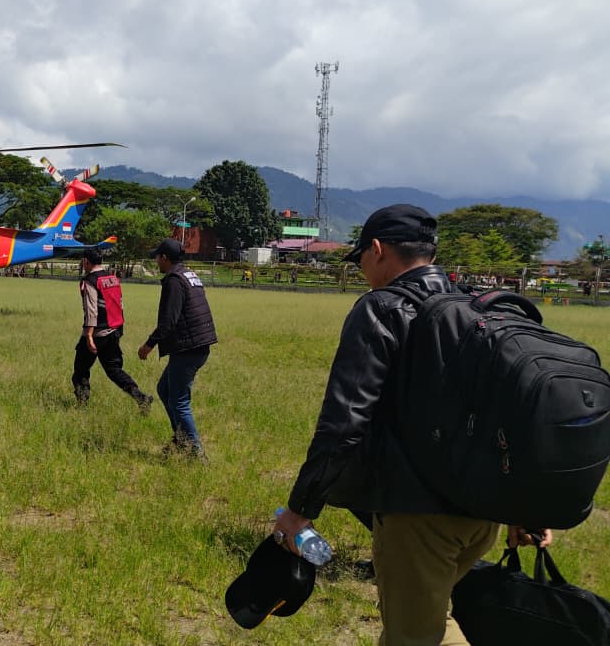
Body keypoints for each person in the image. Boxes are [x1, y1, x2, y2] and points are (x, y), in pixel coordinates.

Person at [271, 204, 552, 645]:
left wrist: (300, 509)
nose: (362, 267)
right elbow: (509, 414)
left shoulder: (382, 309)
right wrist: (523, 507)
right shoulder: (482, 308)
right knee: (424, 622)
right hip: (484, 516)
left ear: (378, 249)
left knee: (415, 637)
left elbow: (344, 422)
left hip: (419, 517)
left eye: (361, 256)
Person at [137, 238, 218, 458]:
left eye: (157, 257)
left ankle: (196, 452)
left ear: (164, 258)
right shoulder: (188, 274)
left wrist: (148, 345)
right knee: (165, 389)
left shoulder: (174, 280)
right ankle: (180, 438)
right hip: (198, 343)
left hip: (189, 347)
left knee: (179, 401)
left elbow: (168, 322)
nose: (156, 261)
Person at [72, 248, 154, 412]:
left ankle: (82, 406)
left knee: (80, 370)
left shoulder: (90, 281)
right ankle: (140, 396)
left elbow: (91, 310)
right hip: (114, 330)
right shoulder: (113, 278)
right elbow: (120, 304)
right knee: (114, 370)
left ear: (86, 261)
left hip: (97, 333)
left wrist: (89, 335)